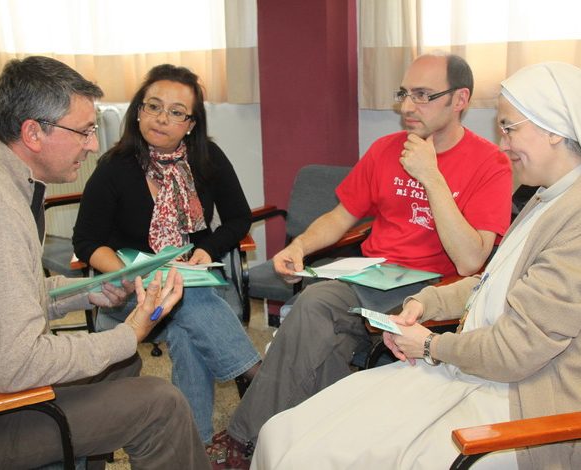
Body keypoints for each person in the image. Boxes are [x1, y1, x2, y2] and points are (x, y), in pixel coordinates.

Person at [252, 61, 581, 469]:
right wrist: (428, 303)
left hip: (516, 391)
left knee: (328, 438)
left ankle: (258, 430)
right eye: (404, 94)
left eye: (510, 128)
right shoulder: (546, 197)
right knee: (292, 419)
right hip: (445, 333)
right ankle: (261, 429)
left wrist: (430, 345)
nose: (504, 143)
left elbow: (478, 274)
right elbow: (495, 280)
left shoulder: (556, 209)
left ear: (554, 129)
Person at [211, 52, 514, 464]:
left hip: (431, 292)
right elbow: (341, 216)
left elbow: (469, 261)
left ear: (459, 99)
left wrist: (431, 176)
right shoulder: (385, 149)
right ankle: (306, 446)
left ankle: (245, 441)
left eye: (423, 95)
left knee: (320, 329)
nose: (407, 107)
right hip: (370, 278)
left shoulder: (490, 163)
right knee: (318, 315)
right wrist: (299, 246)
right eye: (404, 94)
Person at [0, 56, 210, 469]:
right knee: (161, 404)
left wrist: (88, 292)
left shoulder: (2, 178)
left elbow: (7, 298)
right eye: (84, 131)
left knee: (121, 365)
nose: (92, 144)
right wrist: (130, 331)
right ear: (33, 132)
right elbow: (15, 366)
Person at [72, 64, 261, 446]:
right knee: (187, 294)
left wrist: (206, 248)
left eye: (176, 112)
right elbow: (87, 241)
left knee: (188, 321)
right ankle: (257, 376)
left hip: (196, 286)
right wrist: (127, 274)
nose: (161, 118)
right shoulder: (114, 168)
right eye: (154, 106)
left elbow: (239, 218)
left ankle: (193, 446)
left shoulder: (207, 159)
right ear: (138, 111)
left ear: (191, 124)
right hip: (131, 293)